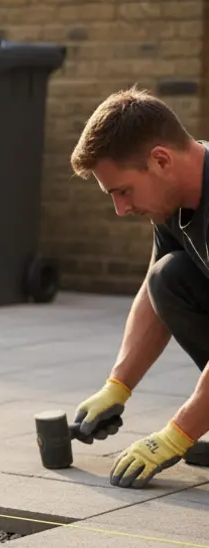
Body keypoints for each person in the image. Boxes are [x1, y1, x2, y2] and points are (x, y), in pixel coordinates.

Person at [69, 87, 209, 488]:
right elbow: (153, 293)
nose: (121, 209)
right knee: (169, 278)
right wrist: (117, 386)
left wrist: (176, 434)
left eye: (123, 191)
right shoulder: (173, 200)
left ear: (161, 159)